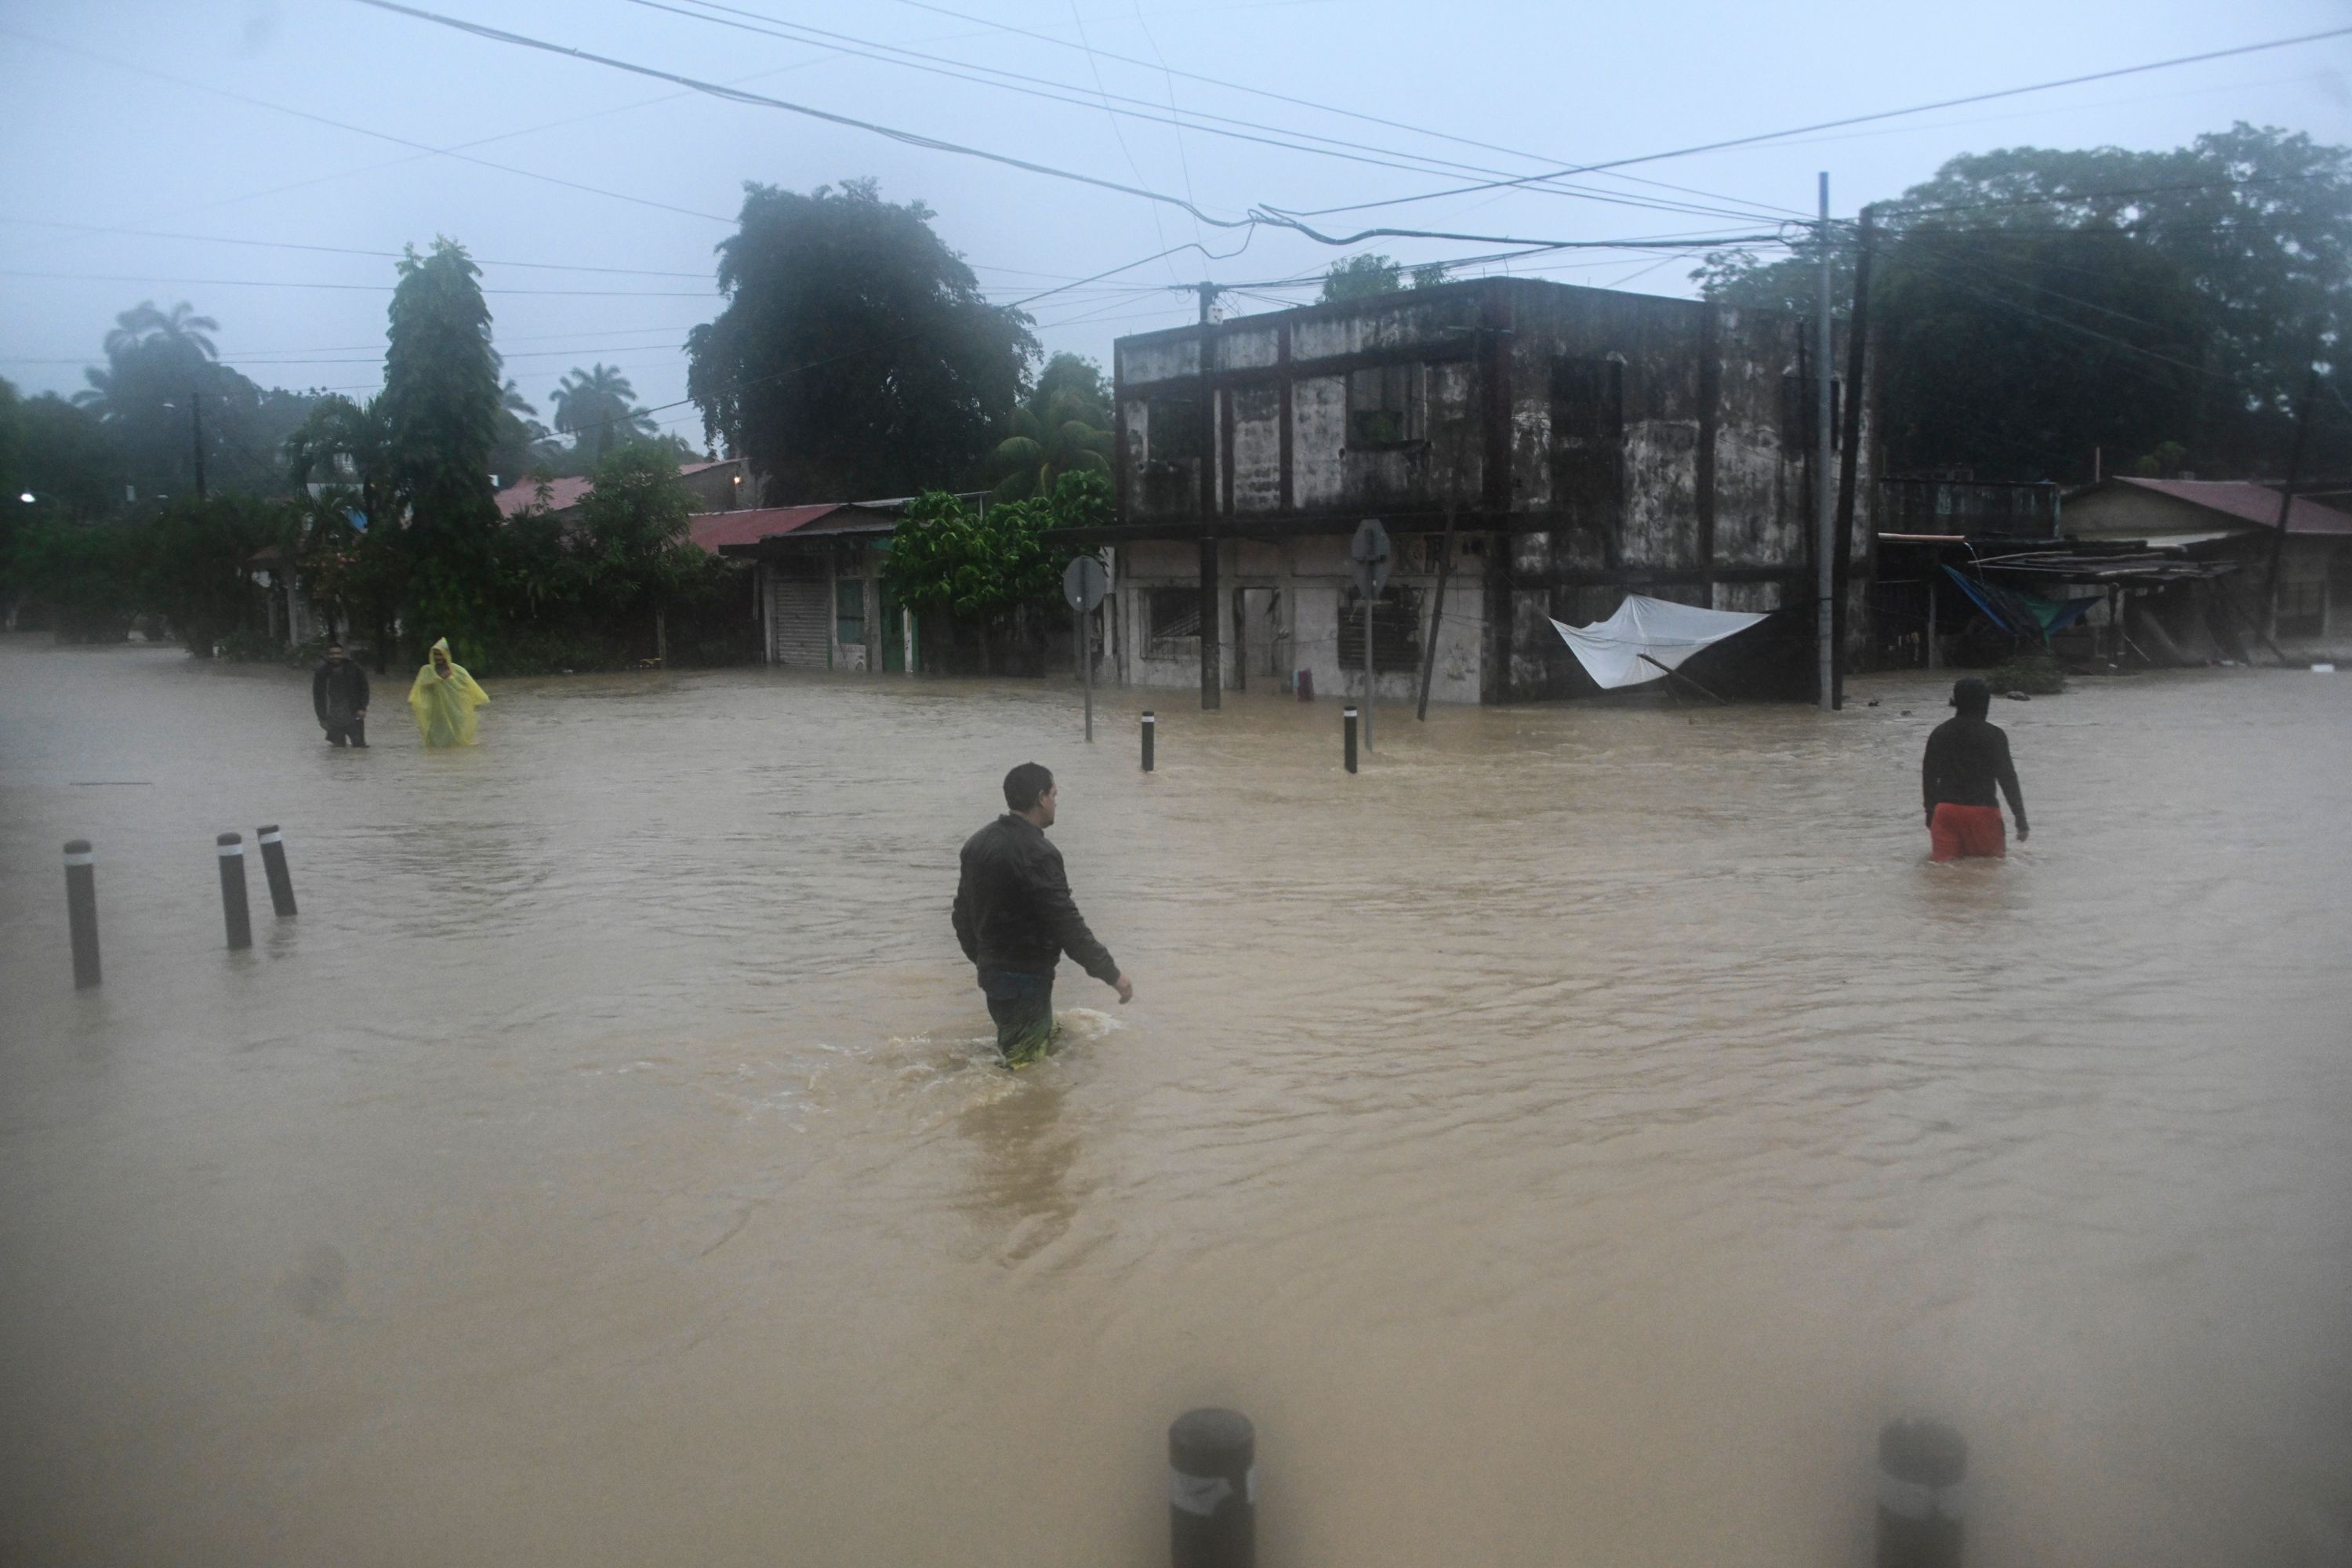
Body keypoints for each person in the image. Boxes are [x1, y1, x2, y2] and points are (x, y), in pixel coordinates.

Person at [953, 762, 1133, 1066]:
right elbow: (1068, 926)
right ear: (1040, 798)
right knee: (1023, 1071)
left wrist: (985, 960)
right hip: (1027, 979)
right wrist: (1113, 976)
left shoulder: (978, 843)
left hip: (994, 976)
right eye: (1054, 795)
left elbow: (961, 916)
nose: (1056, 803)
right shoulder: (1040, 854)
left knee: (1034, 1048)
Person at [1922, 676, 2029, 862]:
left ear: (1956, 702)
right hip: (1984, 813)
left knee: (1944, 874)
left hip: (1946, 813)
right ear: (1985, 703)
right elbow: (2007, 778)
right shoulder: (1995, 735)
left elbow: (1929, 776)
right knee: (1989, 874)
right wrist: (2020, 818)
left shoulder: (1939, 733)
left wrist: (1930, 811)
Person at [407, 637, 490, 748]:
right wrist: (439, 680)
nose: (437, 657)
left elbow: (468, 686)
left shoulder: (457, 670)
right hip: (435, 711)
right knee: (435, 736)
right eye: (435, 654)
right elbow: (421, 687)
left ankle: (453, 756)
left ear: (446, 654)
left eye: (440, 654)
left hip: (454, 710)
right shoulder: (426, 670)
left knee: (455, 737)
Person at [312, 640, 370, 748]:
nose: (335, 656)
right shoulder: (322, 671)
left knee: (359, 747)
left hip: (354, 714)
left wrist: (363, 708)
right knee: (338, 749)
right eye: (332, 654)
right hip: (333, 717)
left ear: (343, 654)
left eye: (338, 653)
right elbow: (318, 696)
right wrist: (321, 717)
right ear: (328, 655)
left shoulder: (355, 668)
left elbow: (364, 689)